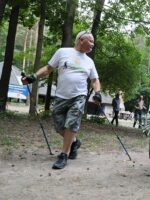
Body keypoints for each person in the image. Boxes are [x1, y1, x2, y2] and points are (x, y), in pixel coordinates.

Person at [21, 31, 101, 170]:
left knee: (71, 124)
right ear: (81, 40)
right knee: (59, 126)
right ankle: (75, 142)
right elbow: (48, 68)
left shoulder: (89, 61)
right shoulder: (63, 52)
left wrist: (97, 92)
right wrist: (33, 76)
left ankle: (64, 154)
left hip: (79, 96)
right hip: (61, 96)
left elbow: (94, 79)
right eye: (91, 41)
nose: (93, 44)